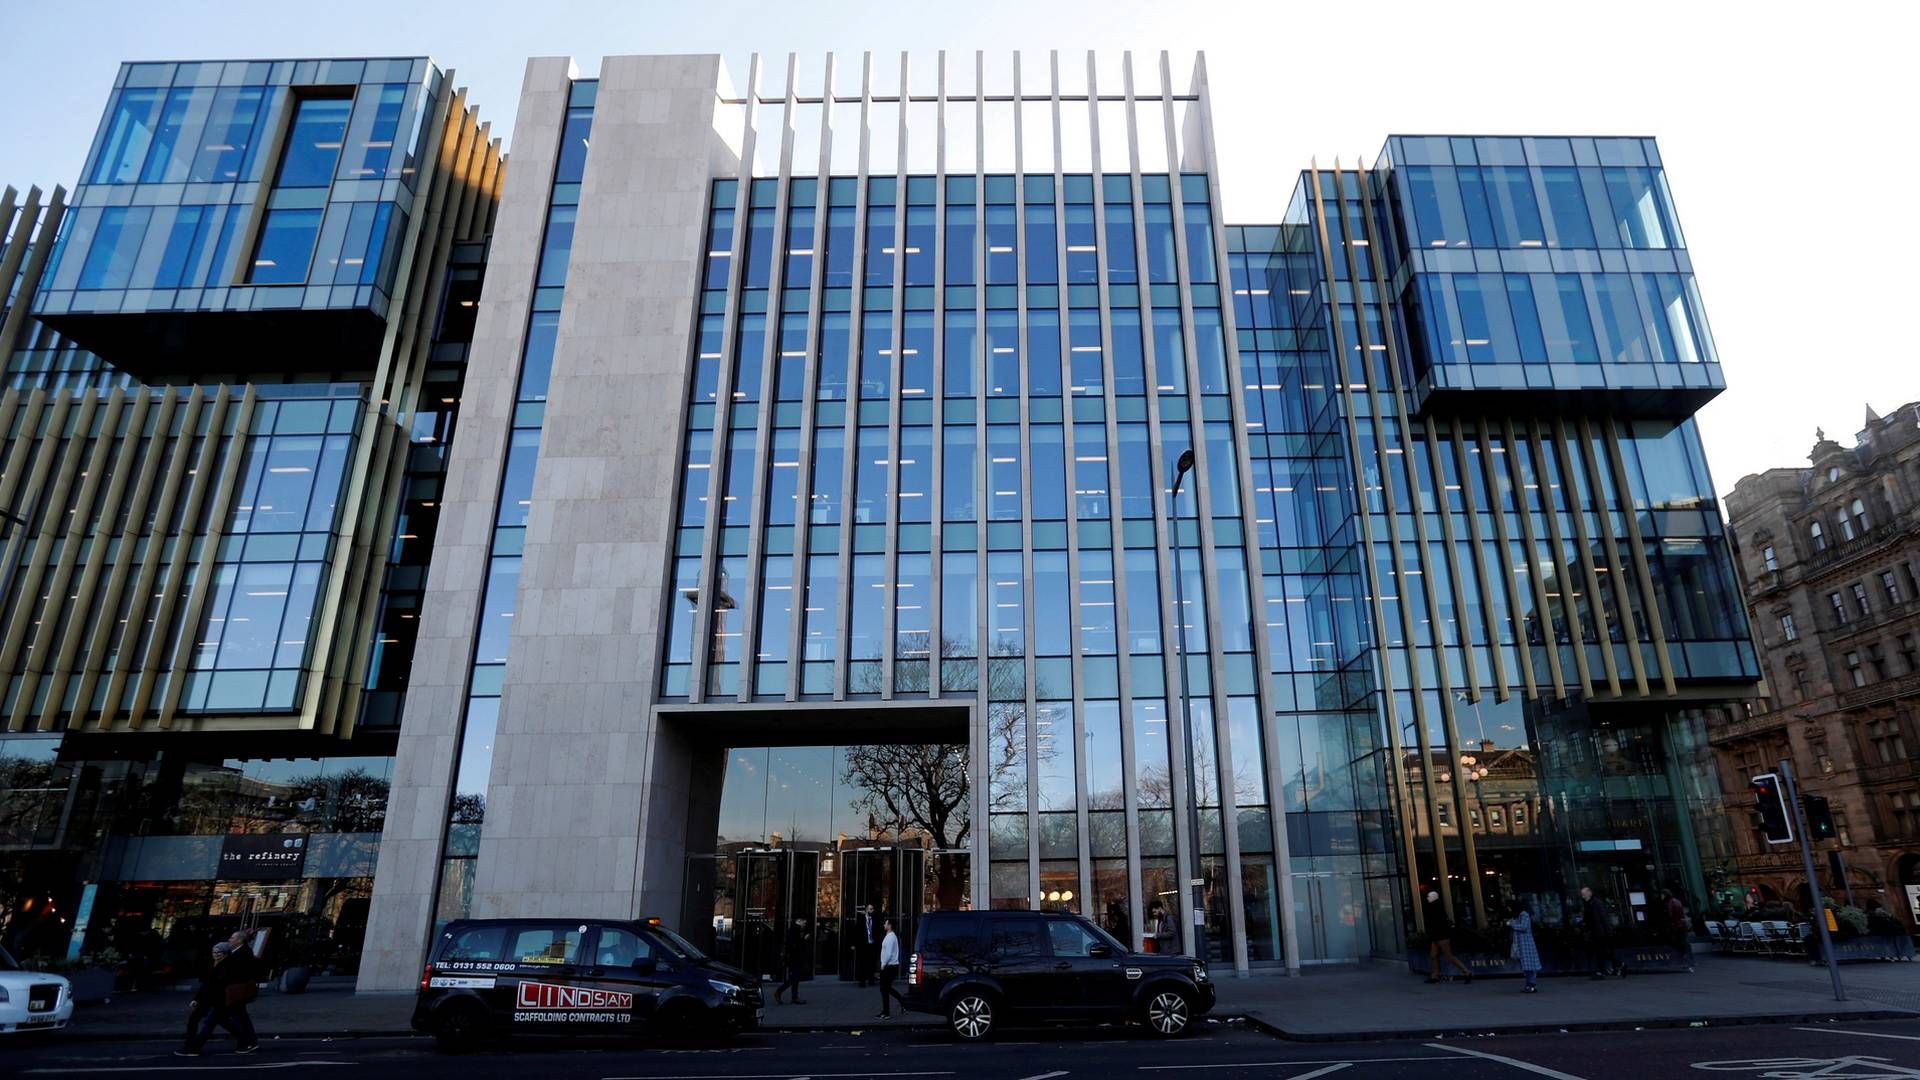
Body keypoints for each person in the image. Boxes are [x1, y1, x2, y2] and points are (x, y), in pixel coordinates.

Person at [177, 941, 230, 1057]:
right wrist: (196, 998)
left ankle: (192, 1047)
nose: (216, 954)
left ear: (225, 953)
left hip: (217, 1000)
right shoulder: (212, 964)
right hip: (207, 999)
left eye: (219, 952)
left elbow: (215, 984)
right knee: (199, 1020)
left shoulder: (225, 966)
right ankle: (189, 1045)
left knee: (208, 1022)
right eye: (214, 952)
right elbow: (205, 984)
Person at [1422, 890, 1473, 984]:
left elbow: (1437, 922)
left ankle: (1466, 972)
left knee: (1448, 956)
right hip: (1437, 935)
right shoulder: (1436, 907)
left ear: (1433, 898)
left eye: (1429, 896)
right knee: (1433, 955)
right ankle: (1435, 975)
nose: (1427, 898)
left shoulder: (1436, 907)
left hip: (1441, 935)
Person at [1577, 886, 1614, 978]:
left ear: (1590, 893)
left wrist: (1607, 931)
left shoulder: (1595, 903)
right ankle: (1603, 970)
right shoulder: (1589, 904)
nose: (1583, 897)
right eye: (1582, 895)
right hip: (1594, 932)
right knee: (1600, 952)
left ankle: (1604, 970)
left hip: (1599, 932)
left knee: (1601, 952)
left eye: (1584, 894)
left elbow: (1602, 918)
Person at [1506, 901, 1541, 993]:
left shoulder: (1524, 914)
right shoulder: (1519, 915)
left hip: (1526, 944)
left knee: (1528, 966)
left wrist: (1511, 924)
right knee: (1526, 966)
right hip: (1522, 944)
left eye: (1509, 907)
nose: (1509, 909)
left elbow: (1524, 927)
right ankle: (1529, 985)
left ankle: (1531, 986)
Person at [773, 917, 809, 1005]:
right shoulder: (795, 932)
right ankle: (779, 992)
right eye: (804, 923)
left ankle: (794, 997)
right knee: (794, 978)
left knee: (795, 978)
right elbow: (795, 946)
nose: (804, 925)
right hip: (794, 959)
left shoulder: (795, 931)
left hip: (795, 958)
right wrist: (804, 939)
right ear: (798, 922)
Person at [875, 918, 904, 1019]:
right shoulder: (889, 936)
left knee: (884, 989)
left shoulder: (891, 937)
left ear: (890, 926)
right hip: (888, 966)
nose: (884, 925)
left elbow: (888, 953)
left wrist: (883, 965)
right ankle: (900, 1003)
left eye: (885, 923)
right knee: (885, 989)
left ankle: (886, 1013)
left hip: (889, 967)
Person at [852, 904, 878, 987]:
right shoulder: (860, 920)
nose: (872, 910)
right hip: (863, 945)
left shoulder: (875, 919)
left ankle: (871, 980)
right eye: (870, 909)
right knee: (862, 963)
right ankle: (862, 981)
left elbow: (878, 932)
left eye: (873, 909)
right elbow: (856, 933)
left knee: (871, 963)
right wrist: (854, 944)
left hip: (872, 945)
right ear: (866, 910)